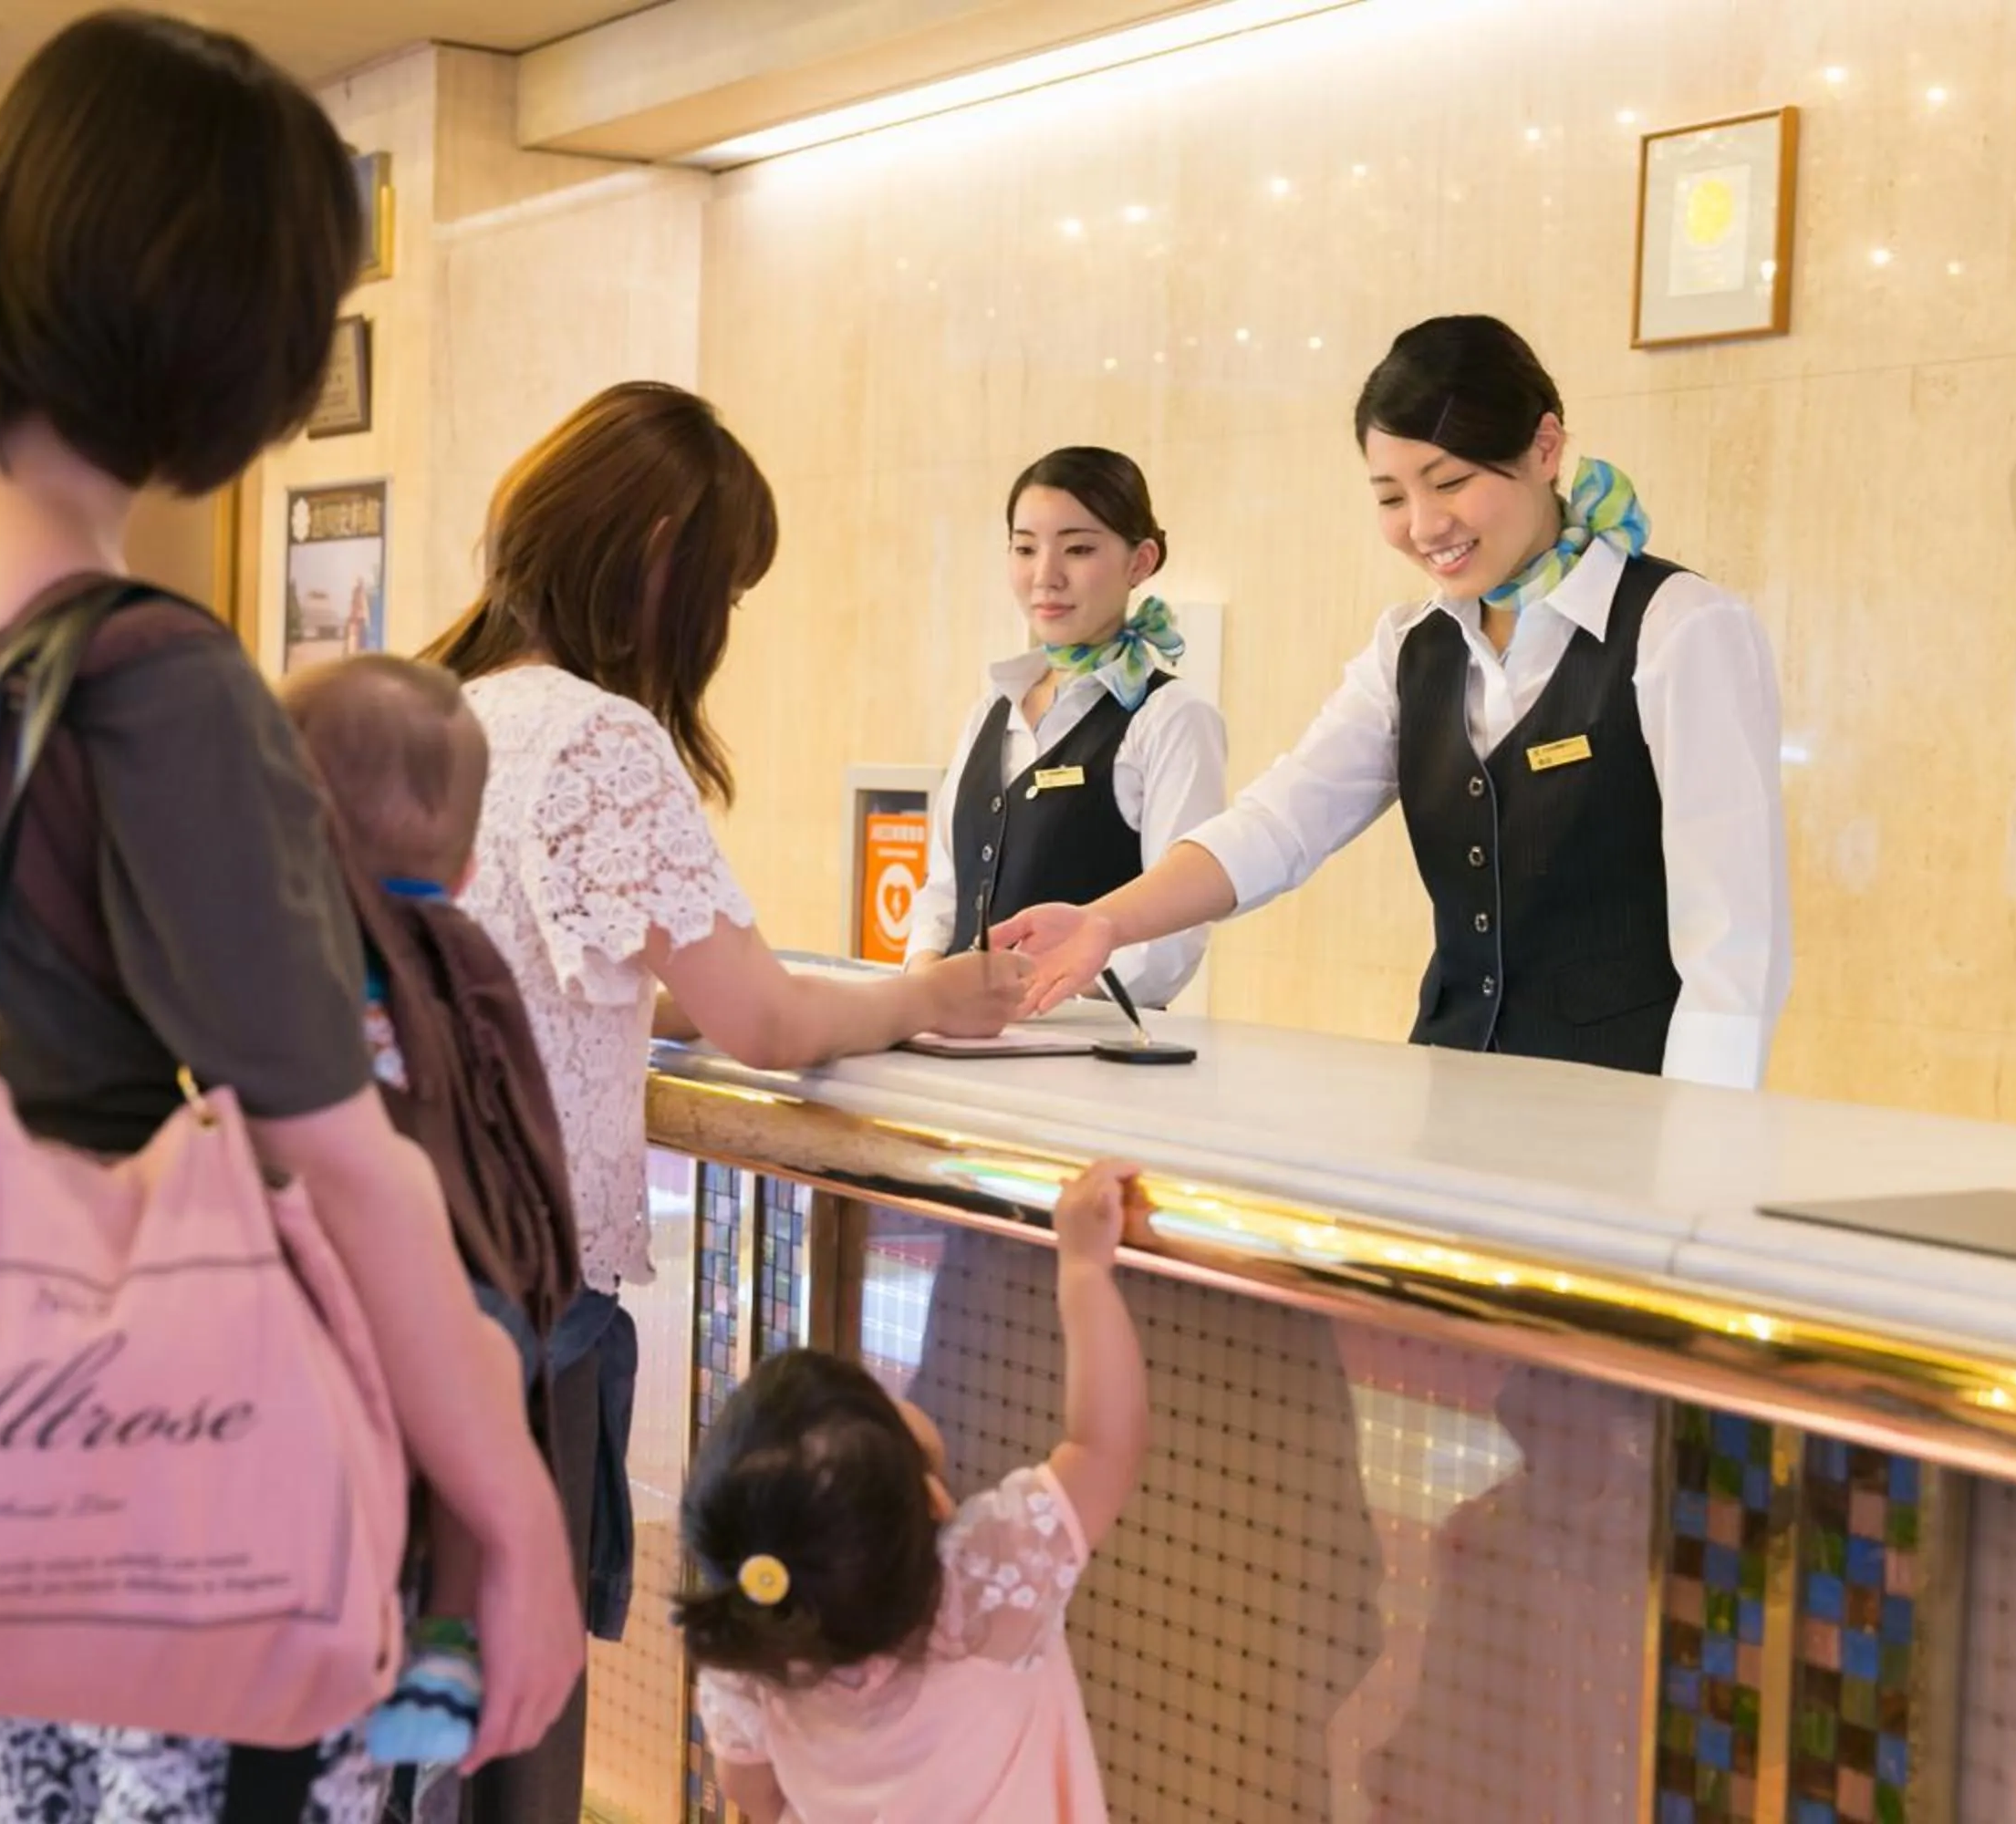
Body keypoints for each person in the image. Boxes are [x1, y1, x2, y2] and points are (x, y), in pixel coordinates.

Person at [0, 15, 577, 1819]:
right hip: (198, 1469)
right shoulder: (150, 676)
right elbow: (342, 1161)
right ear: (224, 321)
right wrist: (516, 1509)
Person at [421, 379, 1033, 1815]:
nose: (721, 627)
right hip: (525, 1290)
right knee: (512, 1721)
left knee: (427, 1703)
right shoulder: (598, 740)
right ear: (657, 556)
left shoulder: (449, 712)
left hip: (410, 1272)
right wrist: (922, 995)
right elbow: (762, 1019)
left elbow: (608, 969)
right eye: (725, 590)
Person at [999, 316, 1792, 1086]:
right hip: (1449, 1089)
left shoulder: (1681, 629)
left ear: (1545, 448)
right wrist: (1111, 921)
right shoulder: (1411, 645)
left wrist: (1697, 1149)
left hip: (1626, 1107)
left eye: (1450, 482)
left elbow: (1731, 945)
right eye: (1390, 497)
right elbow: (1281, 821)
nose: (1423, 525)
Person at [278, 655, 580, 1778]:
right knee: (486, 1379)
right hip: (447, 1295)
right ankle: (445, 1640)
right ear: (463, 857)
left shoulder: (264, 946)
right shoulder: (462, 958)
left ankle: (437, 1638)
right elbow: (513, 1140)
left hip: (301, 1298)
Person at [679, 1159, 1154, 1824]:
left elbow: (753, 1792)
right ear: (933, 1502)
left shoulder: (755, 1646)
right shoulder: (987, 1585)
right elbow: (1105, 1446)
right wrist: (1082, 1272)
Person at [904, 448, 1228, 1008]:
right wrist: (924, 979)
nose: (1046, 575)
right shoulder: (991, 711)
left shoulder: (1170, 717)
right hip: (958, 1042)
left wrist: (1044, 1000)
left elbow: (1176, 933)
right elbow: (945, 887)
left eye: (1078, 549)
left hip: (1086, 1058)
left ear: (1140, 561)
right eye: (1025, 548)